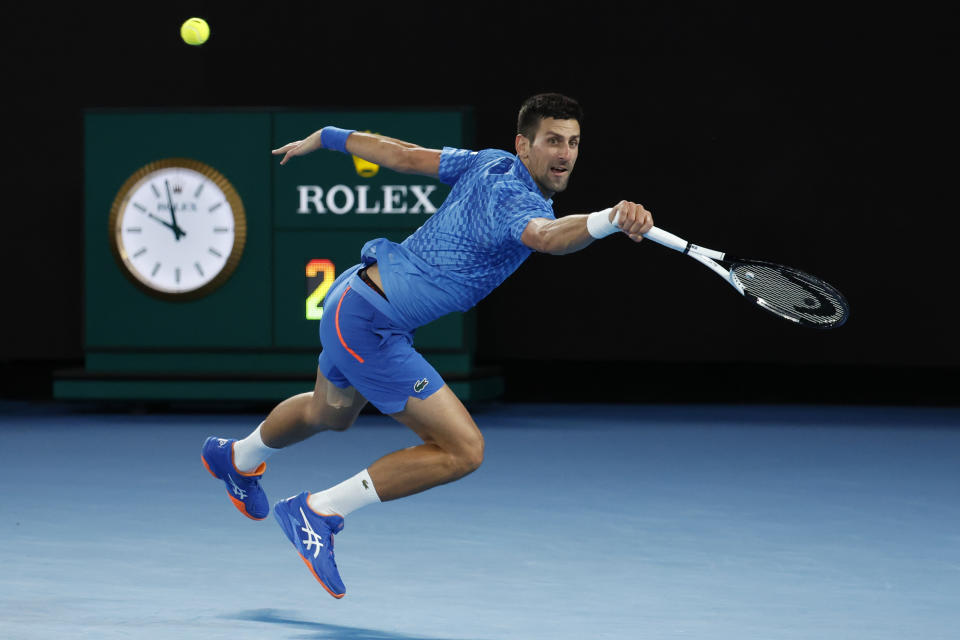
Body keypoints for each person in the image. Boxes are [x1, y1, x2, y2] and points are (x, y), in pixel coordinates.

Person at [200, 93, 654, 598]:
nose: (565, 153)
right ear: (523, 146)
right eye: (553, 141)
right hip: (369, 325)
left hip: (352, 300)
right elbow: (547, 237)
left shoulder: (490, 162)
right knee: (464, 450)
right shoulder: (516, 198)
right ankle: (318, 511)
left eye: (572, 142)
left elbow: (405, 154)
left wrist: (329, 135)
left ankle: (235, 457)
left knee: (329, 413)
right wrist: (608, 219)